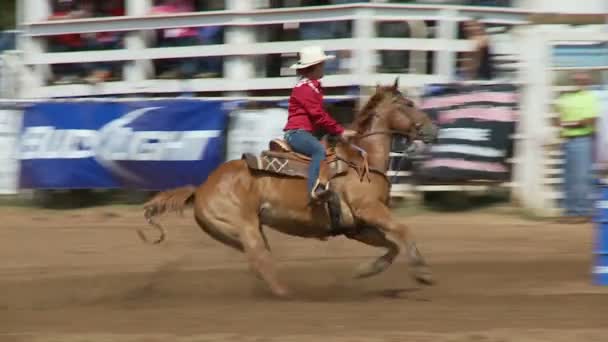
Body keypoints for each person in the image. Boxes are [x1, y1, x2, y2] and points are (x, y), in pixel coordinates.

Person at [283, 45, 357, 201]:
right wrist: (340, 131)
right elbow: (318, 115)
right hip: (297, 133)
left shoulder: (312, 87)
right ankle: (314, 190)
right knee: (318, 151)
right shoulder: (305, 89)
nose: (324, 67)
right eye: (322, 64)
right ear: (315, 67)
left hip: (304, 132)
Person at [555, 71, 600, 223]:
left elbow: (590, 120)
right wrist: (571, 123)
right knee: (570, 177)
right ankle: (571, 211)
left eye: (583, 76)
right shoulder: (565, 97)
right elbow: (558, 118)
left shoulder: (589, 97)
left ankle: (581, 211)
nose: (580, 79)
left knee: (580, 177)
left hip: (582, 139)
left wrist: (568, 124)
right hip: (570, 139)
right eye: (578, 76)